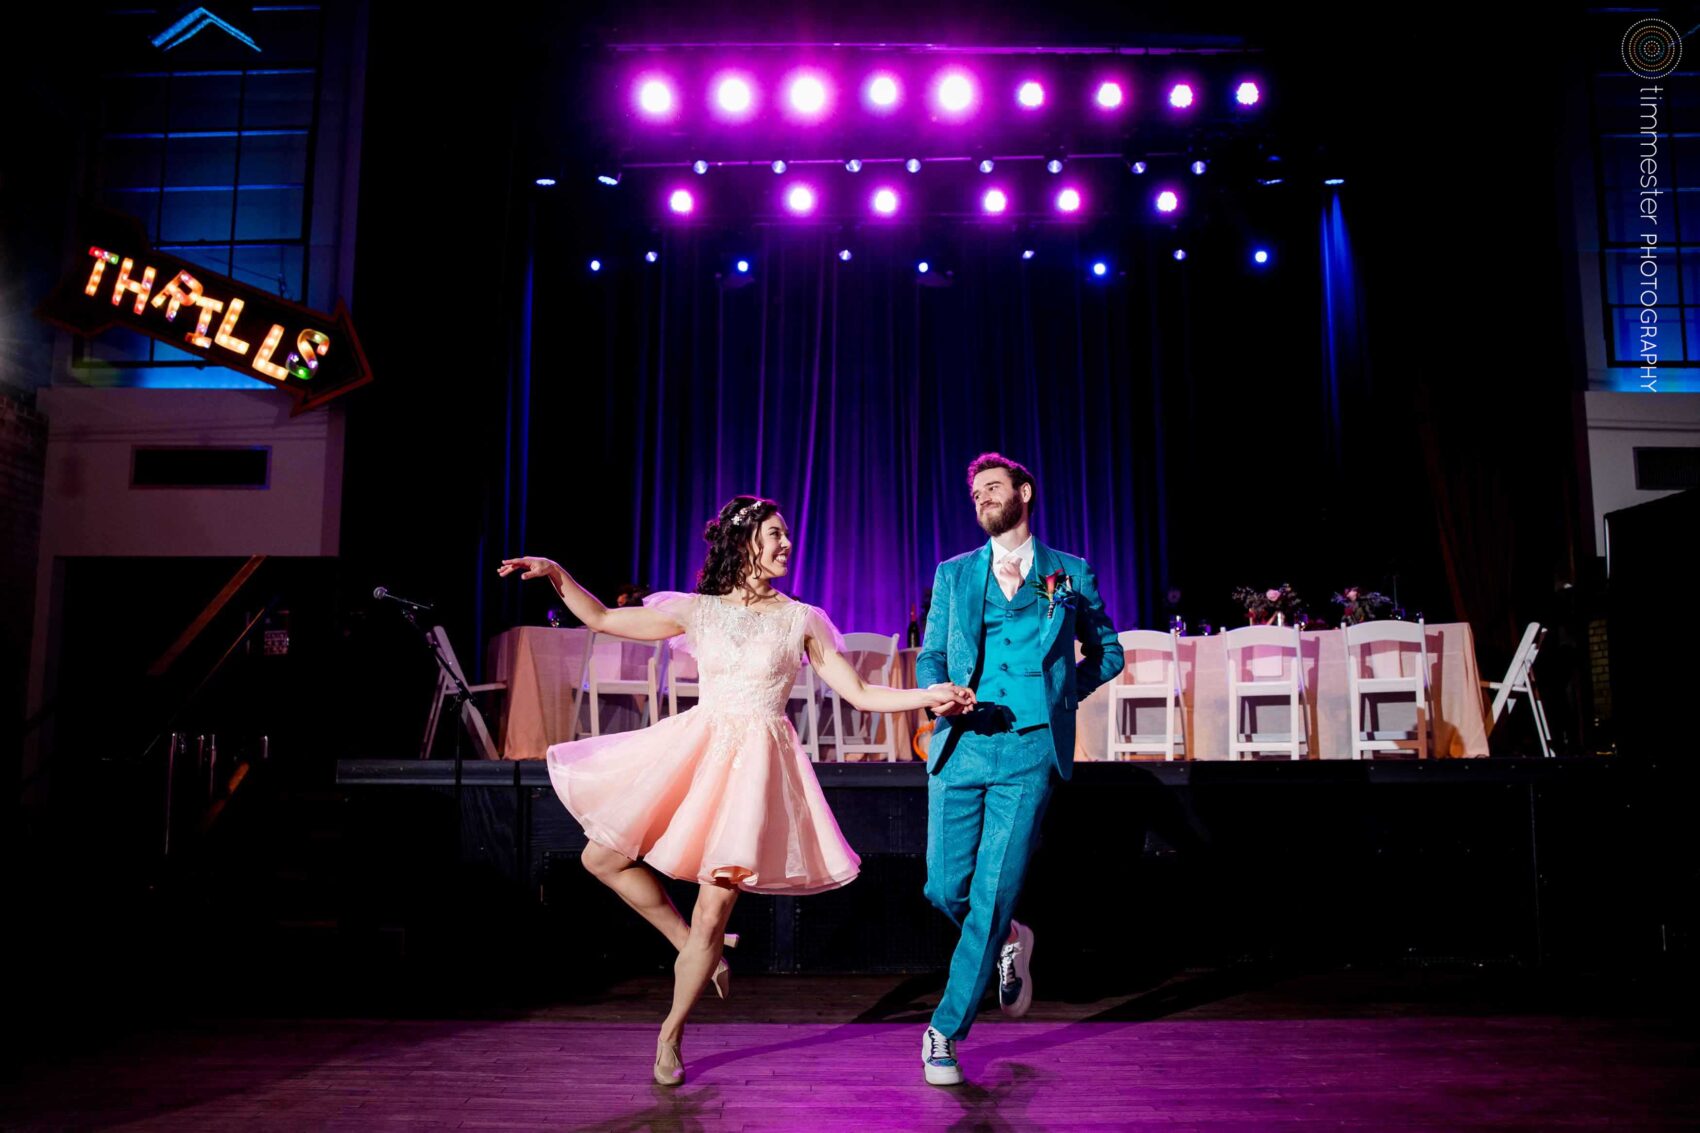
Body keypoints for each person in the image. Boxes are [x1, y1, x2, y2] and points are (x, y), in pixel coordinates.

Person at [498, 494, 973, 1087]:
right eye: (775, 534)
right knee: (602, 857)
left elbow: (862, 695)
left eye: (788, 535)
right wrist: (556, 573)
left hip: (754, 769)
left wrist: (930, 696)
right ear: (745, 540)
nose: (786, 545)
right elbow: (602, 620)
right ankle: (695, 946)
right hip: (696, 750)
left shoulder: (802, 619)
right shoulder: (700, 611)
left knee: (713, 906)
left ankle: (670, 1036)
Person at [914, 453, 1123, 1086]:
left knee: (990, 894)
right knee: (944, 888)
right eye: (974, 492)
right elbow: (930, 657)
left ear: (1023, 493)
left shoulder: (1066, 574)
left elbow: (1107, 652)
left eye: (993, 488)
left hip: (1030, 752)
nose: (981, 499)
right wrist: (940, 691)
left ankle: (944, 1032)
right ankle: (1010, 939)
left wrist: (1063, 695)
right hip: (962, 748)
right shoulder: (954, 575)